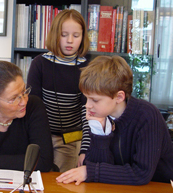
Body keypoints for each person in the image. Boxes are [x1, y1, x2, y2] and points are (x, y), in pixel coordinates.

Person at [56, 55, 173, 185]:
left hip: (159, 186)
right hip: (122, 187)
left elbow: (141, 174)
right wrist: (99, 132)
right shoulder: (102, 113)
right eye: (86, 98)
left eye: (94, 100)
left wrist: (90, 171)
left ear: (119, 97)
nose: (87, 105)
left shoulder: (147, 115)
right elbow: (99, 166)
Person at [27, 9, 90, 172]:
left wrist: (84, 148)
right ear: (55, 34)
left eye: (76, 36)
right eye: (64, 35)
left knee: (62, 183)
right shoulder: (39, 63)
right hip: (41, 137)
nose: (70, 41)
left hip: (70, 139)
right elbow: (33, 105)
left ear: (83, 37)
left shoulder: (87, 68)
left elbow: (88, 112)